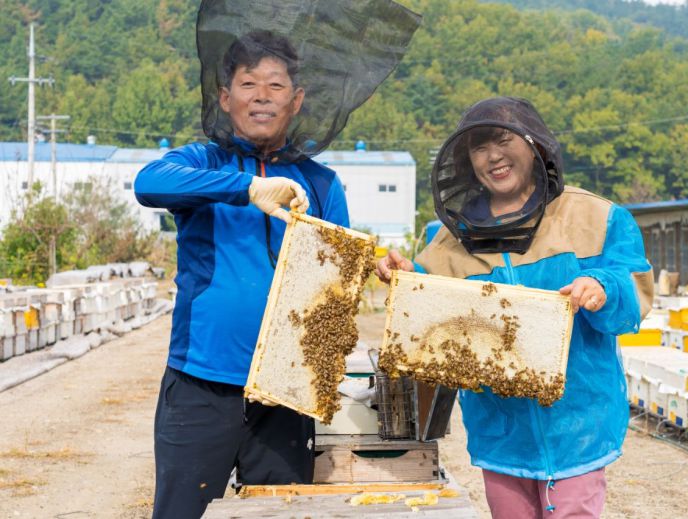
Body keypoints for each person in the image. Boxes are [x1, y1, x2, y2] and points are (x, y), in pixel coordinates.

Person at [376, 97, 653, 518]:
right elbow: (431, 311)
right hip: (500, 428)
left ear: (534, 144)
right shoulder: (452, 239)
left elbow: (633, 285)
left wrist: (602, 286)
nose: (493, 156)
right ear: (467, 161)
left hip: (578, 425)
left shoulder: (594, 216)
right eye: (480, 147)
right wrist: (405, 276)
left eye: (503, 140)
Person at [134, 31, 350, 518]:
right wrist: (247, 187)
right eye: (248, 84)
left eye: (276, 85)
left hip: (285, 390)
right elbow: (148, 183)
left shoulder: (321, 182)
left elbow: (336, 282)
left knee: (281, 512)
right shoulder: (201, 163)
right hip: (201, 380)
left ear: (296, 100)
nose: (261, 96)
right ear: (225, 98)